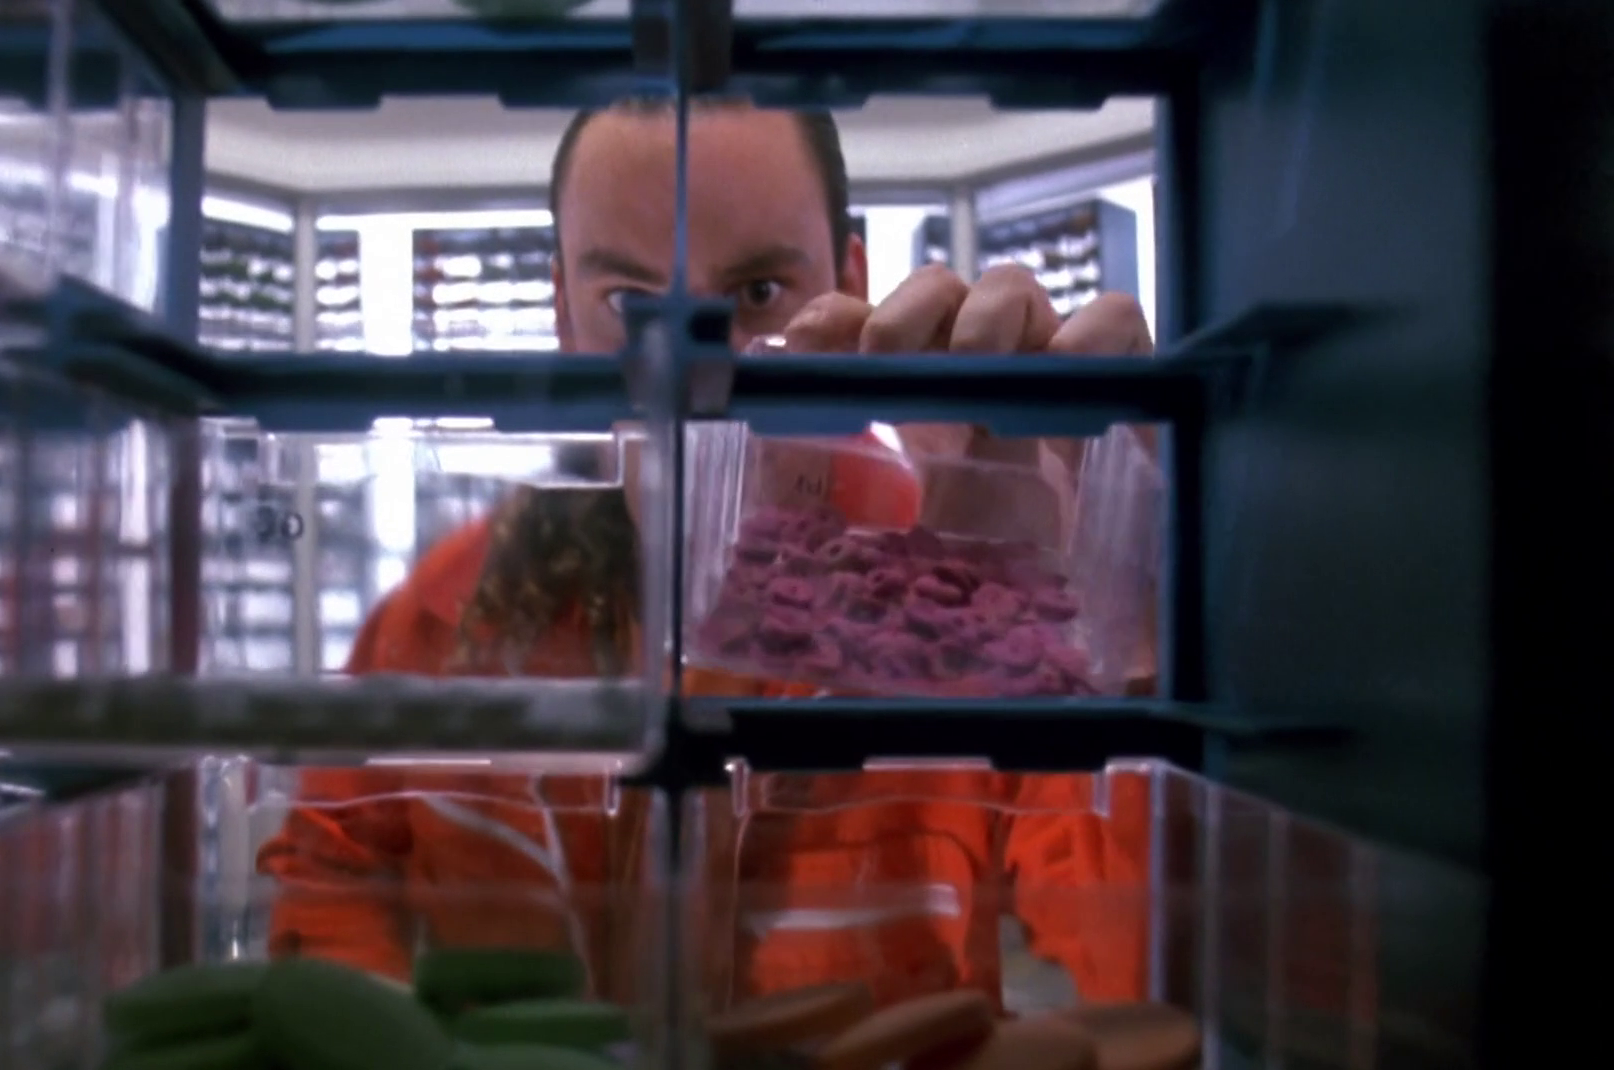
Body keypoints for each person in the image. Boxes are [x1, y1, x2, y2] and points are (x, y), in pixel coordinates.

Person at [254, 99, 1158, 1011]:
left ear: (849, 281)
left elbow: (1143, 971)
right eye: (631, 305)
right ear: (564, 314)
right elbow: (327, 872)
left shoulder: (965, 608)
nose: (696, 372)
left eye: (759, 292)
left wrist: (1135, 599)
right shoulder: (447, 613)